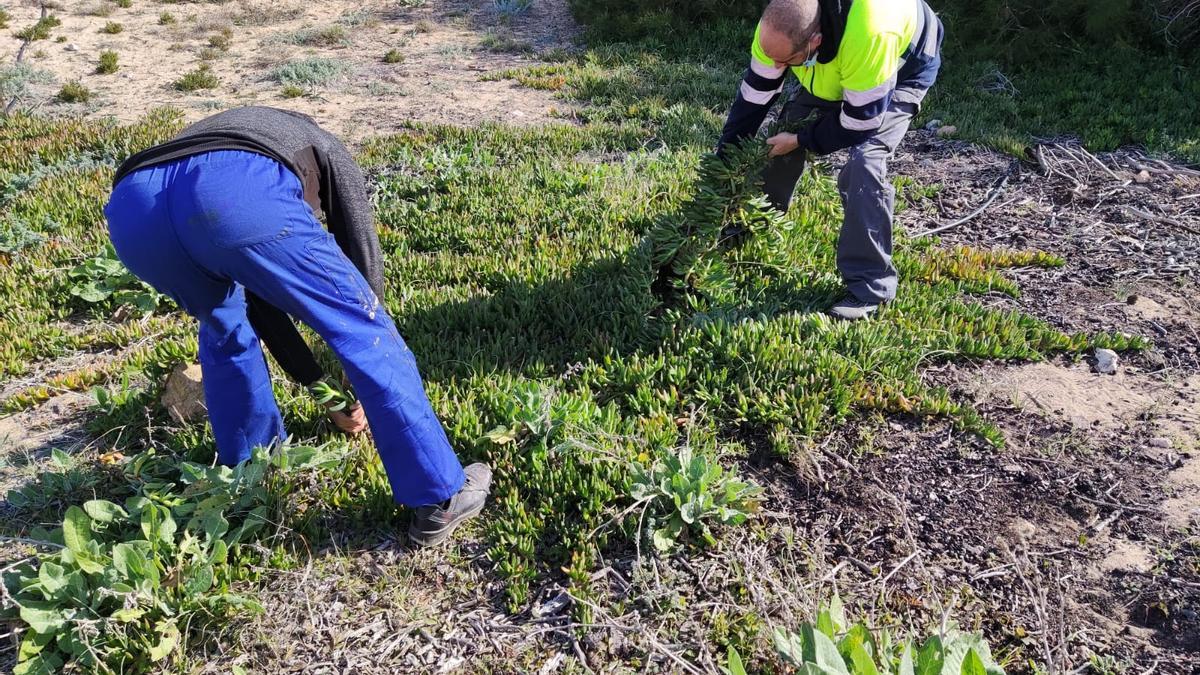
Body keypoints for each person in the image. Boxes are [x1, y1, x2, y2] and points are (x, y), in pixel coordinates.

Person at [104, 106, 489, 547]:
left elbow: (256, 302)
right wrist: (355, 369)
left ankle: (251, 479)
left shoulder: (253, 134)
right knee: (363, 326)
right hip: (232, 191)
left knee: (225, 329)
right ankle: (442, 496)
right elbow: (359, 251)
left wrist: (325, 391)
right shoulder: (321, 143)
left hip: (135, 209)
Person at [717, 0, 944, 320]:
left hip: (903, 63)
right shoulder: (779, 25)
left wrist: (800, 140)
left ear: (815, 41)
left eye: (786, 62)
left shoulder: (871, 32)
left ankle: (871, 287)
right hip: (841, 59)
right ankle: (750, 226)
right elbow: (753, 100)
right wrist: (723, 160)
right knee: (777, 140)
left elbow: (860, 122)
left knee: (864, 163)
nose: (777, 67)